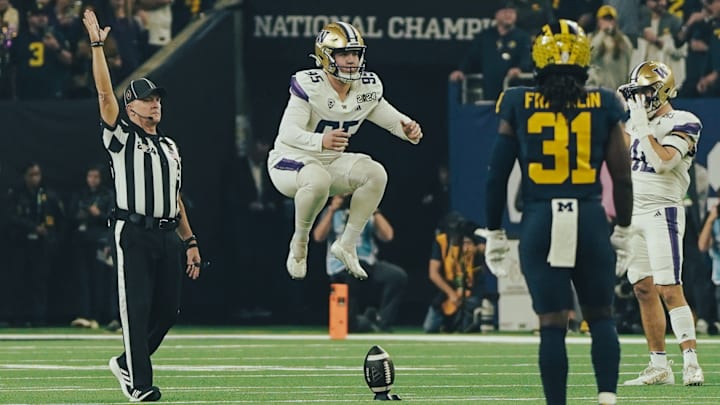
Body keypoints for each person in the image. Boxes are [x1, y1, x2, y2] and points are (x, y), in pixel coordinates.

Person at [483, 19, 633, 405]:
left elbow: (497, 176)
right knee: (601, 316)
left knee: (552, 324)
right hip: (588, 217)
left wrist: (495, 232)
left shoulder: (517, 100)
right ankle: (607, 398)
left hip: (540, 220)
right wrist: (624, 229)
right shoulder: (603, 102)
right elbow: (622, 176)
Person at [82, 9, 203, 401]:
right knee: (136, 310)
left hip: (168, 233)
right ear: (131, 109)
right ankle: (140, 385)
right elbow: (104, 94)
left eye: (157, 100)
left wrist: (190, 241)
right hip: (133, 231)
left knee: (168, 312)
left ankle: (124, 363)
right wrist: (98, 45)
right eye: (147, 101)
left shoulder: (170, 146)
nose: (155, 105)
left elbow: (176, 197)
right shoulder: (121, 139)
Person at [267, 21, 423, 282]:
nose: (351, 60)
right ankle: (300, 243)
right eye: (343, 54)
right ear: (325, 56)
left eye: (355, 53)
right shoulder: (311, 84)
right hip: (290, 161)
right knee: (318, 179)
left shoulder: (366, 87)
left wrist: (406, 129)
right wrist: (321, 141)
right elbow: (287, 134)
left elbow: (390, 117)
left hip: (330, 163)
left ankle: (347, 244)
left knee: (375, 173)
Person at [616, 60, 704, 386]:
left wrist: (641, 126)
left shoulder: (684, 120)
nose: (641, 97)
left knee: (669, 288)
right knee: (642, 288)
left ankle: (691, 360)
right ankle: (658, 365)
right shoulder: (632, 123)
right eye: (637, 92)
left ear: (664, 89)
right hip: (633, 213)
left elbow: (663, 163)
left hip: (662, 209)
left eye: (647, 90)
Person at [313, 194, 407, 332]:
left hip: (367, 263)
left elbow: (388, 236)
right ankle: (368, 320)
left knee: (397, 276)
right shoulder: (331, 213)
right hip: (341, 266)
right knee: (349, 326)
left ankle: (383, 321)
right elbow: (318, 237)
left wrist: (373, 210)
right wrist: (332, 210)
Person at [5, 162, 64, 327]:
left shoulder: (46, 195)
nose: (35, 178)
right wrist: (32, 227)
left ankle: (38, 317)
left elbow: (58, 218)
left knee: (39, 282)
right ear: (25, 176)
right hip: (20, 244)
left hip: (41, 246)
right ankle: (18, 318)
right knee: (19, 281)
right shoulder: (16, 195)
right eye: (31, 175)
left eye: (37, 174)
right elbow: (10, 218)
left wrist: (49, 233)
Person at [449, 2, 532, 101]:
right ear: (496, 15)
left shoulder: (523, 37)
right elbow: (472, 57)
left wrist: (519, 68)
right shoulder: (486, 36)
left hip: (514, 91)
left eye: (511, 12)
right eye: (505, 12)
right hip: (490, 92)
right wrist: (461, 70)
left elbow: (527, 58)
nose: (508, 15)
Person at [423, 212, 490, 333]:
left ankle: (469, 319)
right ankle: (447, 323)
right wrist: (451, 293)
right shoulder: (441, 242)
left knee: (467, 323)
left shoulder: (471, 238)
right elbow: (433, 273)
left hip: (469, 290)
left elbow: (486, 247)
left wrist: (477, 249)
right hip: (448, 288)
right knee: (429, 327)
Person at [69, 165, 115, 330]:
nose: (92, 180)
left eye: (96, 177)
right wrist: (80, 214)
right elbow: (70, 215)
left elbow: (113, 219)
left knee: (100, 279)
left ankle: (99, 316)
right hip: (81, 241)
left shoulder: (107, 195)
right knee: (82, 279)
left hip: (100, 241)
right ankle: (84, 314)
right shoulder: (81, 195)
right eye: (90, 176)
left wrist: (99, 215)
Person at [587, 5, 635, 91]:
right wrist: (602, 33)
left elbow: (631, 61)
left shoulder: (624, 40)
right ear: (598, 21)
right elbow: (590, 57)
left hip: (619, 88)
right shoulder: (591, 38)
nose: (608, 22)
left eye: (610, 19)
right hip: (600, 89)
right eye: (604, 19)